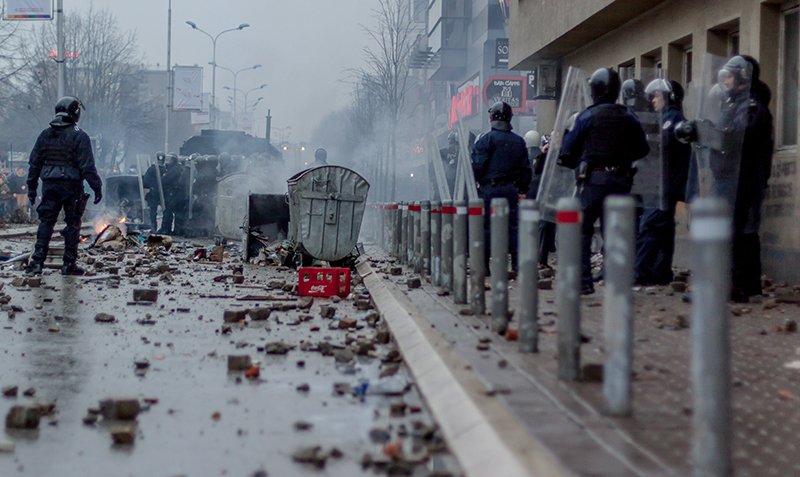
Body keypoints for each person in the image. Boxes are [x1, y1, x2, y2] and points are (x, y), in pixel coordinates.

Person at [559, 68, 650, 294]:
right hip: (621, 180)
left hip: (593, 180)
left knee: (582, 229)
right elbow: (643, 148)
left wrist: (580, 160)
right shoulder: (629, 116)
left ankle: (583, 281)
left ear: (594, 91)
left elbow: (566, 151)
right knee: (616, 230)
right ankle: (615, 279)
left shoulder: (587, 116)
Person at [25, 96, 102, 276]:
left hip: (49, 185)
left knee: (46, 222)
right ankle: (68, 264)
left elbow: (34, 164)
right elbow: (87, 167)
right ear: (75, 113)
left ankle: (37, 262)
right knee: (73, 224)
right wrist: (97, 187)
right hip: (71, 186)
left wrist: (32, 189)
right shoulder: (80, 135)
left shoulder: (45, 134)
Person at [723, 56, 773, 302]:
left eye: (731, 76)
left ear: (743, 77)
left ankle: (744, 285)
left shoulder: (753, 105)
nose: (726, 81)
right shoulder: (735, 103)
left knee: (743, 232)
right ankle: (735, 283)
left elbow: (746, 134)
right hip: (733, 178)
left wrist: (724, 133)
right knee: (734, 231)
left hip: (746, 178)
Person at [634, 79, 691, 285]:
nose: (653, 100)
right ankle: (660, 272)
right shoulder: (663, 118)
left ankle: (641, 271)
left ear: (669, 97)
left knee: (650, 225)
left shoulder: (672, 118)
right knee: (664, 229)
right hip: (664, 183)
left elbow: (662, 145)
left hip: (665, 184)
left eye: (657, 96)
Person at [471, 101, 532, 270]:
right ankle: (517, 265)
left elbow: (477, 166)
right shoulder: (519, 141)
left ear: (492, 117)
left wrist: (478, 181)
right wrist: (521, 189)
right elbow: (526, 169)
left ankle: (485, 266)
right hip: (511, 190)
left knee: (487, 227)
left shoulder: (486, 140)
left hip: (490, 190)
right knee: (513, 226)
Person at [525, 132, 556, 268]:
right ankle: (540, 259)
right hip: (543, 190)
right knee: (544, 224)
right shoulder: (541, 155)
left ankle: (540, 258)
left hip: (545, 190)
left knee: (545, 224)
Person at [158, 154, 182, 235]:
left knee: (168, 211)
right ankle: (177, 230)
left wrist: (163, 176)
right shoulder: (178, 168)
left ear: (174, 160)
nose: (168, 162)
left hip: (172, 193)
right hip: (176, 193)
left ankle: (166, 229)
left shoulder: (174, 170)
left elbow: (165, 180)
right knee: (176, 212)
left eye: (170, 160)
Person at [142, 152, 165, 231]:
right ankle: (159, 227)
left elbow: (145, 181)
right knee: (160, 211)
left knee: (155, 210)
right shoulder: (163, 169)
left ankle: (156, 227)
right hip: (160, 192)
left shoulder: (154, 169)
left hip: (158, 192)